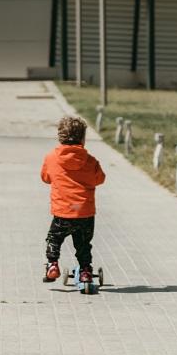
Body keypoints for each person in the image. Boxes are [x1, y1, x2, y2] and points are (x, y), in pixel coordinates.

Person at [40, 116, 106, 284]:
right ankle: (85, 272)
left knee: (54, 239)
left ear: (60, 136)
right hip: (84, 212)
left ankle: (52, 265)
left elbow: (46, 177)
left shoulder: (51, 158)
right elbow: (99, 179)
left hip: (62, 212)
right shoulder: (90, 161)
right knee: (83, 245)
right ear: (83, 138)